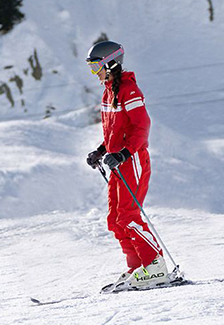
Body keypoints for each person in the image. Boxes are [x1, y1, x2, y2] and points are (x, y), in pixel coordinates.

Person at [85, 40, 168, 291]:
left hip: (133, 161)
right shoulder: (109, 91)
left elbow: (141, 129)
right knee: (115, 219)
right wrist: (101, 151)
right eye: (91, 68)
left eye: (95, 66)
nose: (94, 72)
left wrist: (122, 154)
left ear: (110, 63)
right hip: (118, 162)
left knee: (129, 216)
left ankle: (155, 265)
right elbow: (116, 130)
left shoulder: (129, 90)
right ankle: (138, 268)